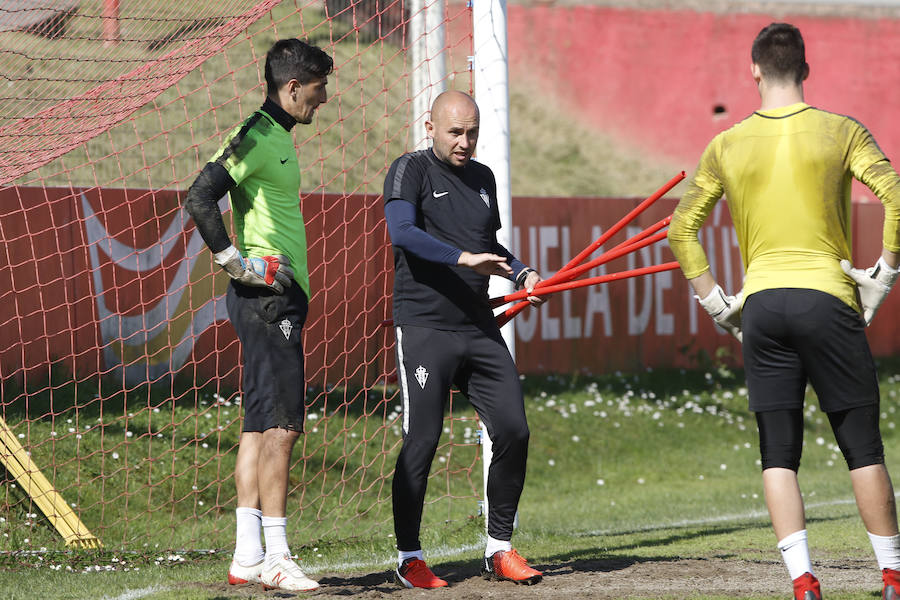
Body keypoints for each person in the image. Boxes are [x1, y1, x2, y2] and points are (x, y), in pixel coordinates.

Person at [668, 22, 900, 600]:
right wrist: (885, 274)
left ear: (753, 71)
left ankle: (802, 582)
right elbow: (896, 197)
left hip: (763, 306)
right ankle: (893, 575)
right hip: (827, 298)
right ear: (805, 68)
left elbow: (681, 229)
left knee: (778, 452)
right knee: (862, 447)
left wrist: (715, 301)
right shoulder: (841, 131)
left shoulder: (726, 144)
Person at [183, 38, 333, 593]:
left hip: (268, 301)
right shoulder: (258, 137)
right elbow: (200, 197)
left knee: (256, 424)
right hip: (269, 301)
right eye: (317, 91)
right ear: (292, 87)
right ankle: (278, 555)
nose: (323, 101)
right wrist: (237, 264)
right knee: (282, 427)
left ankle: (247, 555)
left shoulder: (273, 136)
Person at [383, 90, 546, 588]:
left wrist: (523, 273)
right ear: (429, 125)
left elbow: (488, 246)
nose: (465, 141)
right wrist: (460, 259)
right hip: (426, 327)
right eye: (455, 131)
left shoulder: (483, 178)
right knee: (423, 441)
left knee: (514, 429)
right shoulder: (409, 169)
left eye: (472, 132)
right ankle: (410, 558)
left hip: (477, 327)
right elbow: (401, 231)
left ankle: (499, 549)